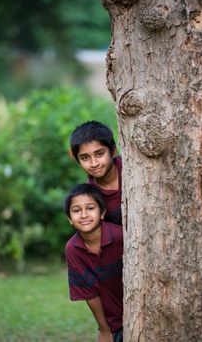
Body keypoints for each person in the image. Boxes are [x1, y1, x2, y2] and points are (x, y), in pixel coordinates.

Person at [64, 183, 123, 342]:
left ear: (102, 212)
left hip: (141, 313)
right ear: (70, 219)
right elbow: (89, 293)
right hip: (113, 323)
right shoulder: (73, 249)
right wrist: (104, 329)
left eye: (90, 208)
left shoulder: (120, 236)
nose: (83, 215)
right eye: (76, 210)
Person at [70, 120, 122, 225]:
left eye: (99, 154)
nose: (94, 163)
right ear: (78, 162)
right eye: (85, 158)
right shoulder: (89, 198)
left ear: (113, 151)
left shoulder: (131, 167)